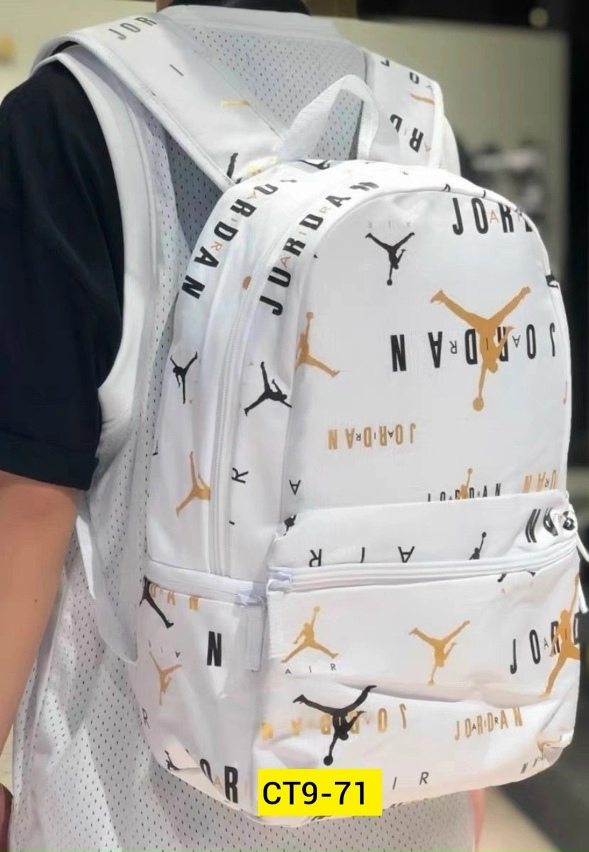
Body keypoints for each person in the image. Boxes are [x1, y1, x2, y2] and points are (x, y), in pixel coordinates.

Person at [0, 1, 479, 850]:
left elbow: (28, 499)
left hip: (138, 803)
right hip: (391, 791)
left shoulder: (76, 114)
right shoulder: (420, 126)